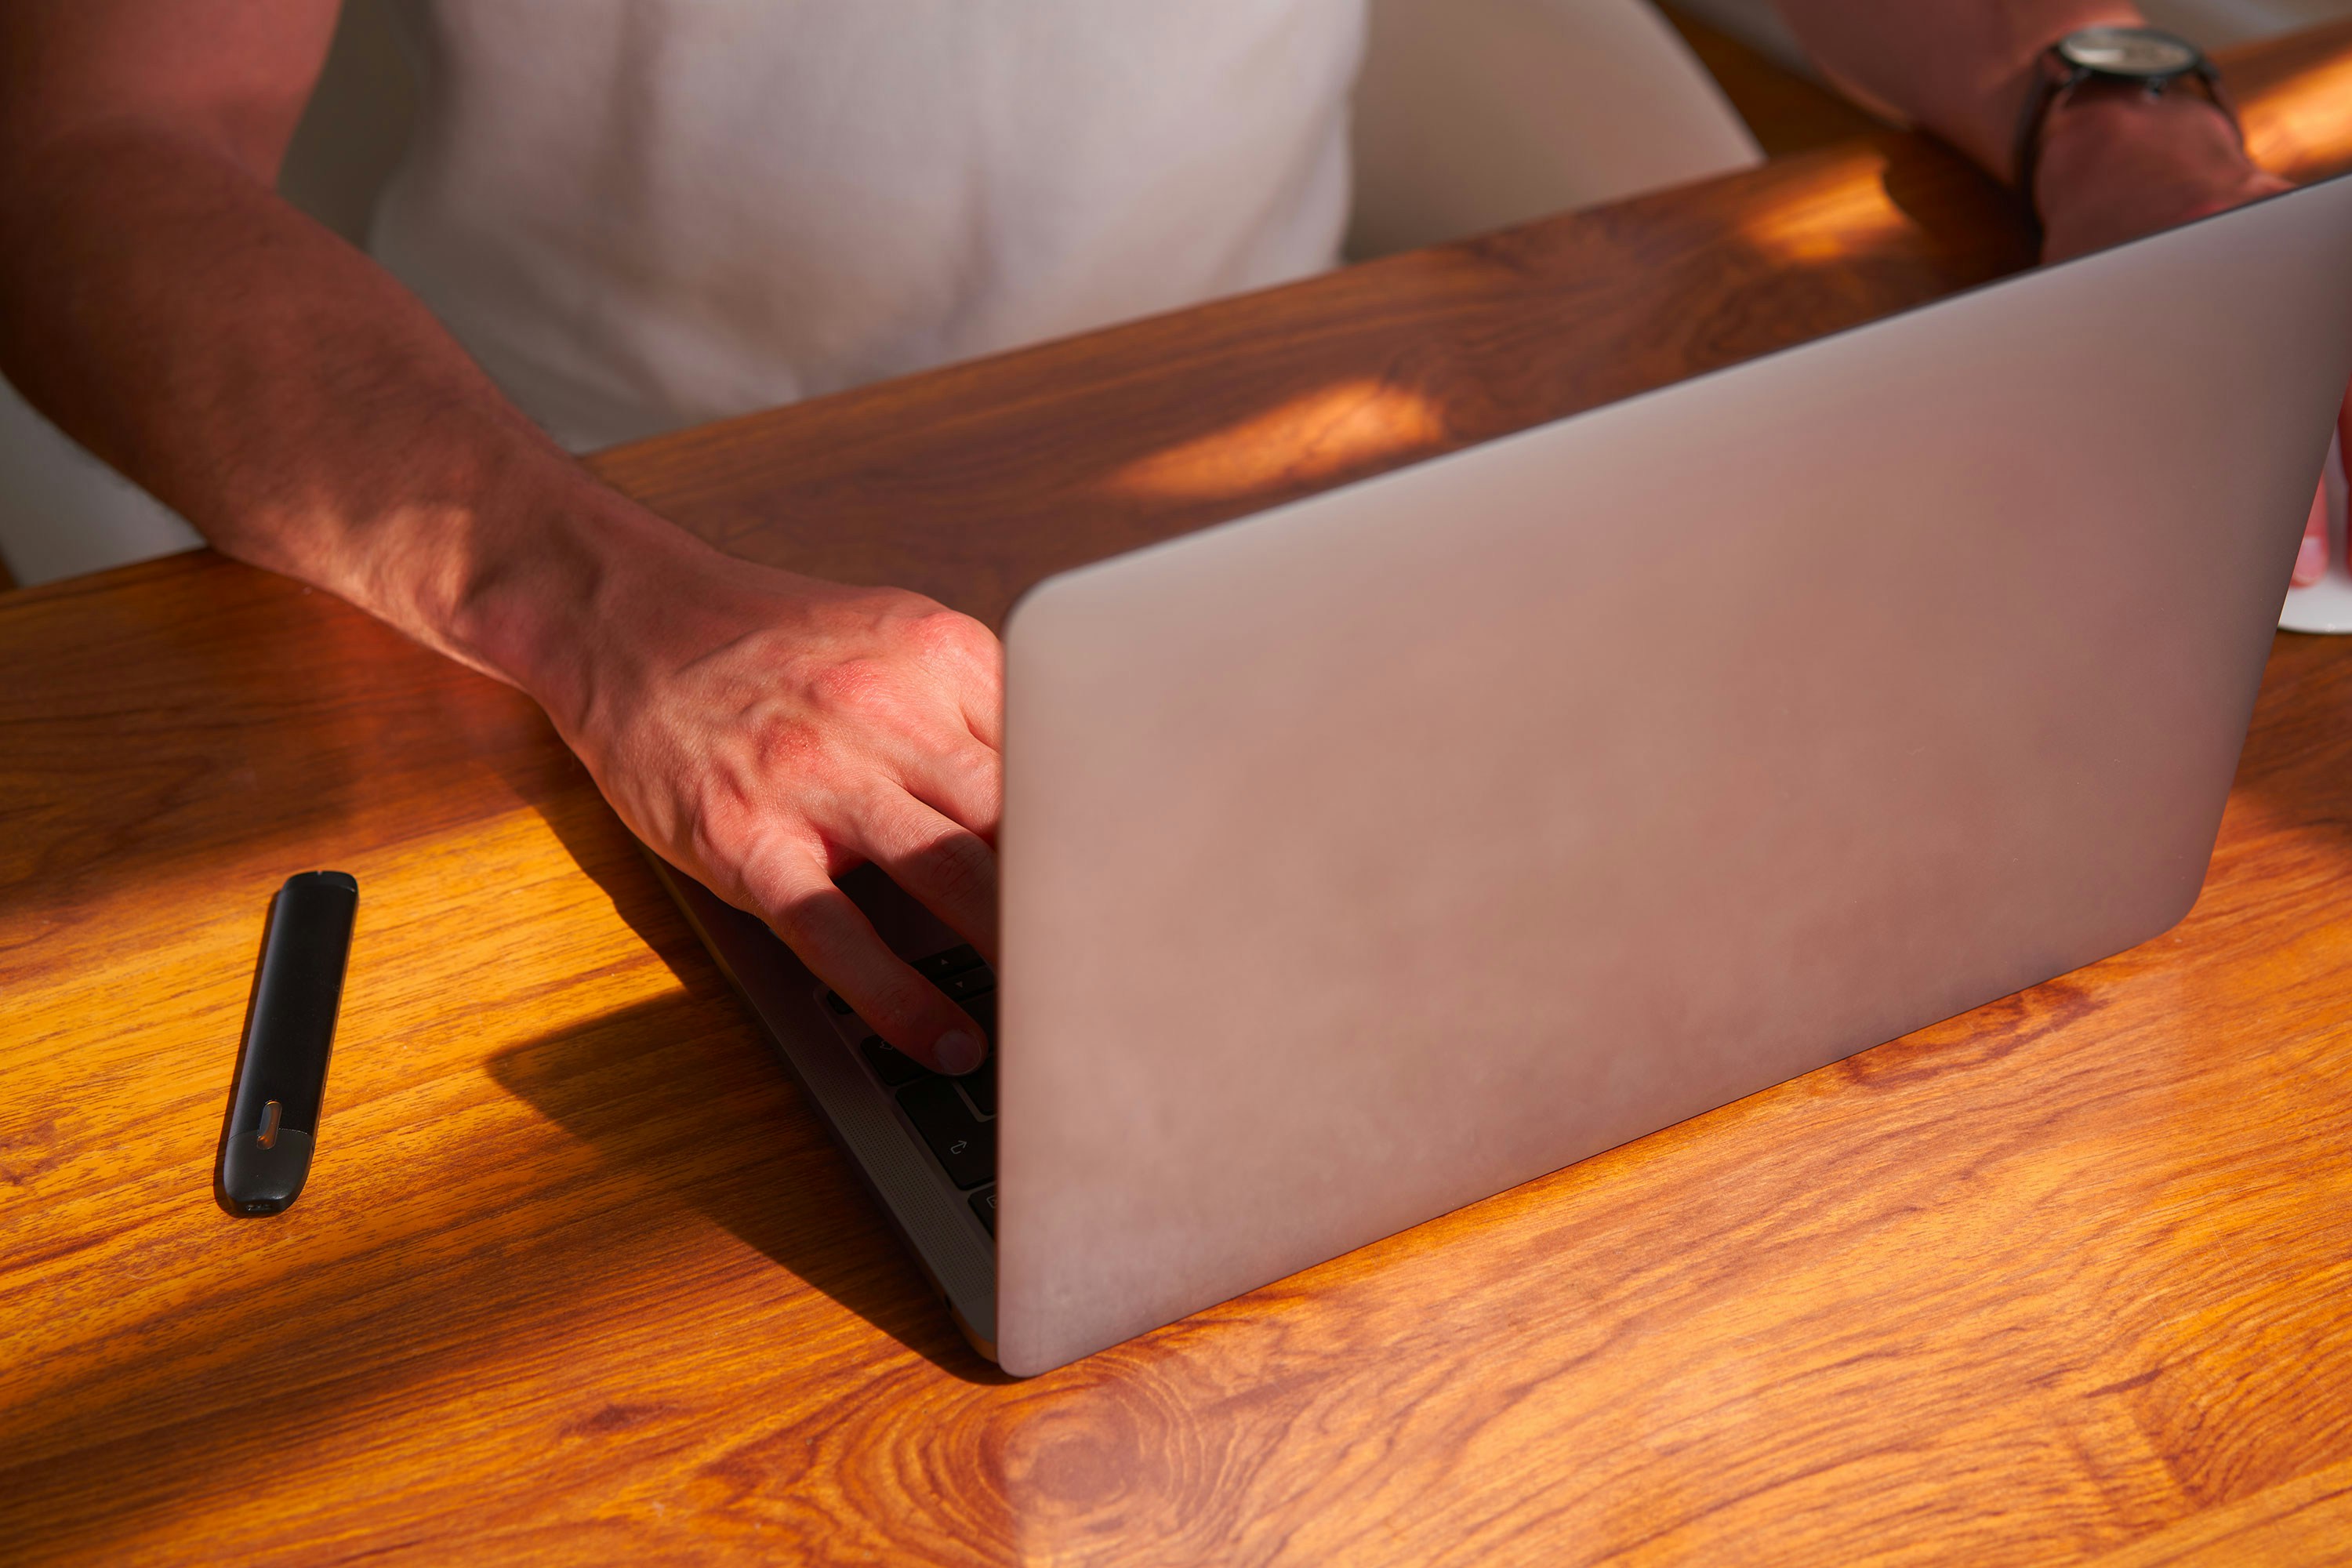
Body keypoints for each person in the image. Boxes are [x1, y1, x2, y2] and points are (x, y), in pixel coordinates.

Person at [0, 2, 2321, 1076]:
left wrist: (2104, 98)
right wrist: (586, 601)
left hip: (1257, 519)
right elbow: (92, 152)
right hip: (603, 569)